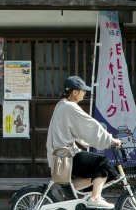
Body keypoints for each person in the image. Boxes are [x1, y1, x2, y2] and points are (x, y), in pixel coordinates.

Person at [47, 76, 122, 209]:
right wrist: (111, 140)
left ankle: (66, 190)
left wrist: (89, 142)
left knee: (95, 173)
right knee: (103, 162)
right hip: (67, 156)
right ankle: (95, 198)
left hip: (59, 155)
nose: (85, 93)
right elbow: (91, 125)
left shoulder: (62, 104)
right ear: (75, 92)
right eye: (83, 90)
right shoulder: (71, 107)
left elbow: (77, 131)